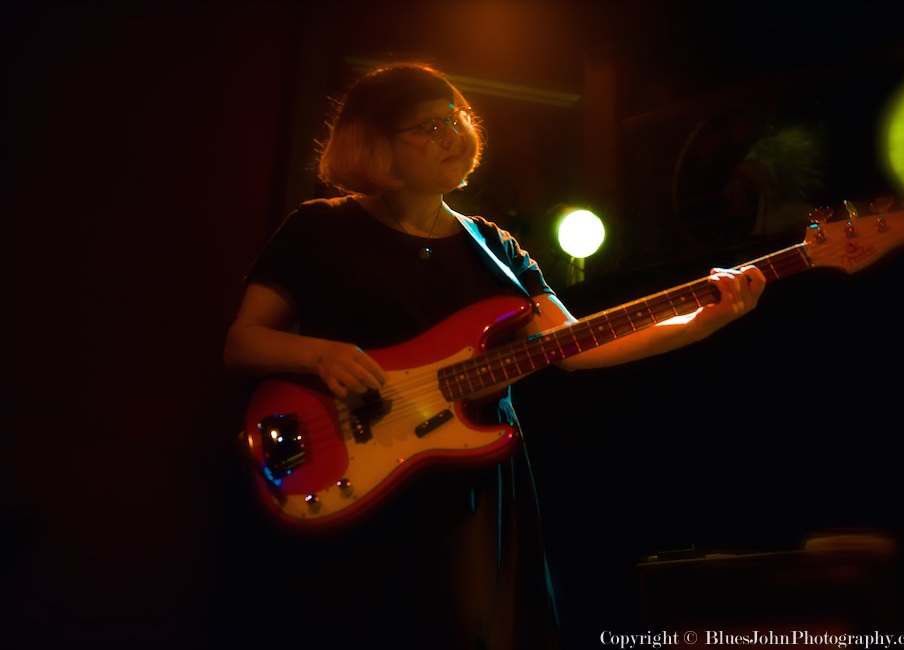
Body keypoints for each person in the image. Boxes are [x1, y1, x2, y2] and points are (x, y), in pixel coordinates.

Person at [223, 62, 765, 649]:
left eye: (455, 117)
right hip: (347, 467)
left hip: (468, 487)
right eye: (426, 127)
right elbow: (242, 343)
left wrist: (702, 322)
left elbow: (575, 347)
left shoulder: (495, 246)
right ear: (373, 144)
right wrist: (320, 354)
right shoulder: (320, 228)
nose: (452, 134)